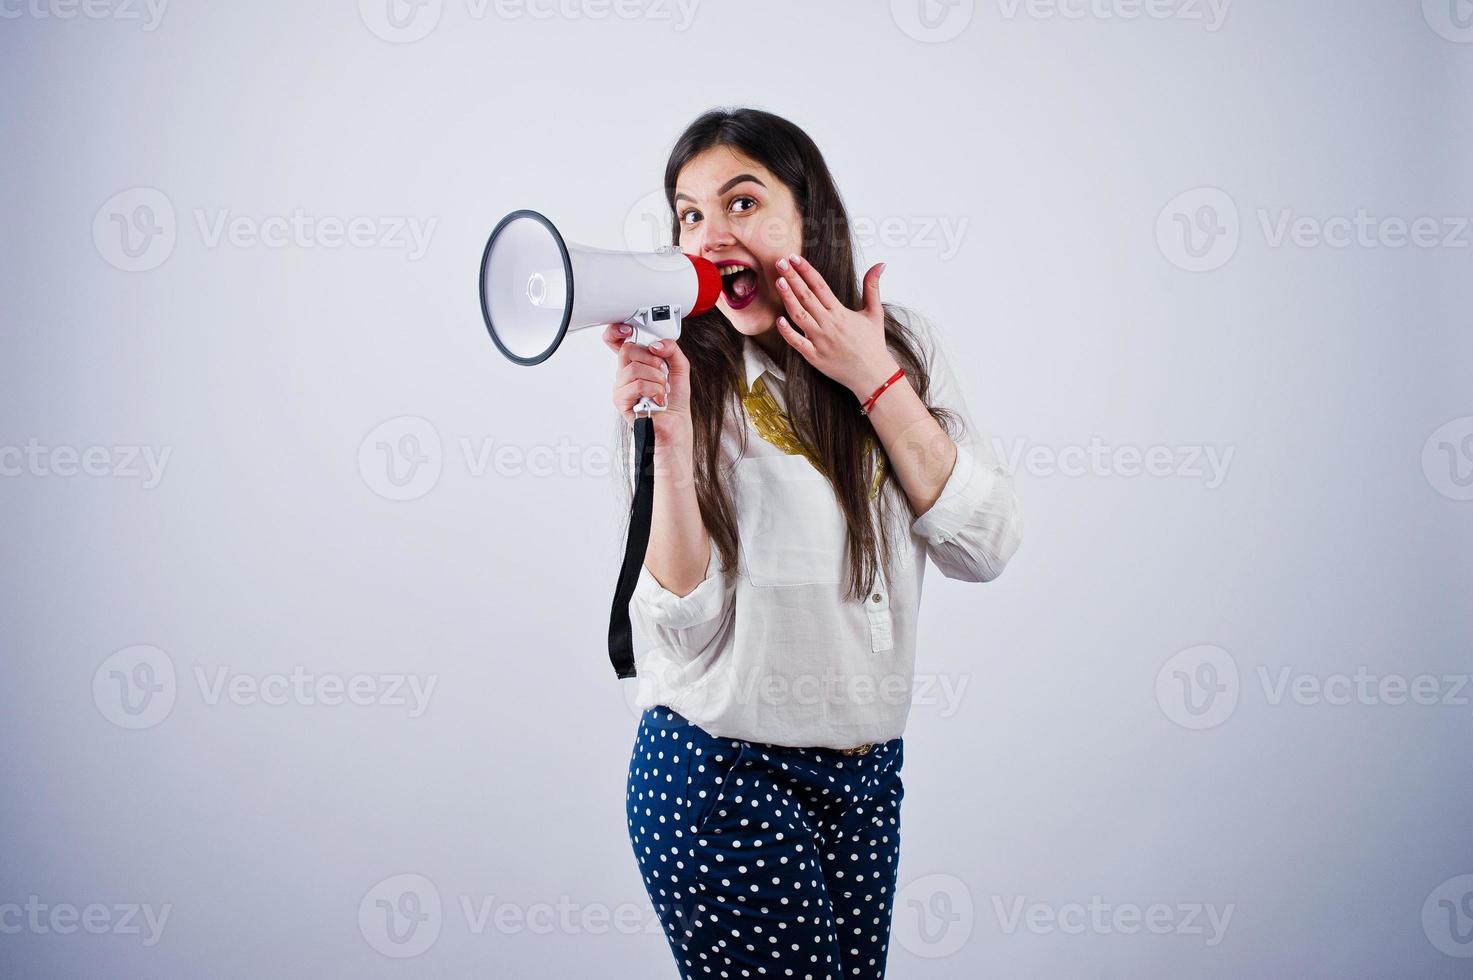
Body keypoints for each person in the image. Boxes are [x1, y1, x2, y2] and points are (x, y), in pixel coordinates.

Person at [603, 107, 1023, 980]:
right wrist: (671, 439)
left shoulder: (902, 345)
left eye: (741, 203)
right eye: (687, 214)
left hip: (868, 782)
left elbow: (984, 545)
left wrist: (872, 375)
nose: (709, 236)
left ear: (809, 216)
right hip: (722, 777)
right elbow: (679, 628)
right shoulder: (682, 373)